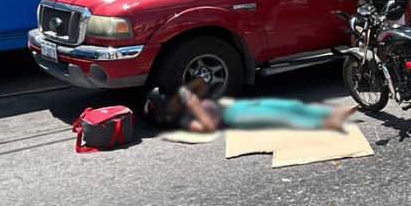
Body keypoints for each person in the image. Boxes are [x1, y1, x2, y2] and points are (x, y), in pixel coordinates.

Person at [145, 78, 358, 133]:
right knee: (286, 116)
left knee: (289, 108)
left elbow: (201, 85)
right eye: (170, 102)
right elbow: (208, 127)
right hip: (237, 118)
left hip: (240, 109)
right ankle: (330, 120)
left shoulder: (188, 109)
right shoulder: (184, 121)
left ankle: (329, 116)